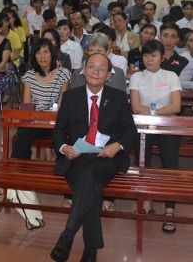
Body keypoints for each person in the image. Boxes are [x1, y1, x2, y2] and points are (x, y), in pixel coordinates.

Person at [49, 53, 137, 262]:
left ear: (108, 75)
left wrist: (118, 145)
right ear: (83, 70)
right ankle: (90, 250)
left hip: (106, 158)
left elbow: (130, 131)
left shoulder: (117, 97)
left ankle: (68, 234)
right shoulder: (71, 97)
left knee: (89, 177)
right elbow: (59, 131)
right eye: (91, 67)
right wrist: (64, 148)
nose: (95, 72)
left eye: (101, 69)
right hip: (77, 157)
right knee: (91, 187)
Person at [129, 40, 182, 233]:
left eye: (153, 55)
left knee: (170, 164)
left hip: (167, 126)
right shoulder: (137, 77)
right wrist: (160, 112)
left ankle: (170, 208)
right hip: (142, 125)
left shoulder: (171, 76)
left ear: (162, 57)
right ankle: (146, 200)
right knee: (142, 162)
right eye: (146, 55)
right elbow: (136, 107)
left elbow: (176, 107)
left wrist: (153, 113)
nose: (149, 59)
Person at [10, 39, 70, 160]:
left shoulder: (63, 74)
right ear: (34, 56)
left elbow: (62, 106)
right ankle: (18, 165)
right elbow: (27, 107)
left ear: (52, 54)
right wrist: (38, 115)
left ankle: (17, 164)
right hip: (35, 121)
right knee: (24, 131)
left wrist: (45, 115)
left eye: (45, 52)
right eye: (38, 52)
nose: (42, 56)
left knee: (25, 132)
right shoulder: (29, 76)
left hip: (55, 122)